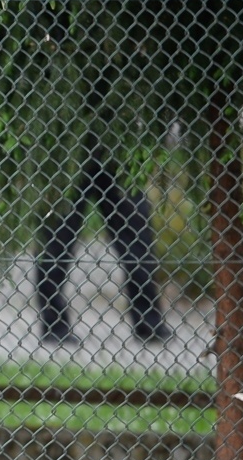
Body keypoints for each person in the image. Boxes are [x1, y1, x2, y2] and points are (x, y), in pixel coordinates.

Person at [35, 137, 173, 345]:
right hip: (67, 144)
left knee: (136, 232)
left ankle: (148, 320)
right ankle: (53, 323)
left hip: (115, 141)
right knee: (58, 235)